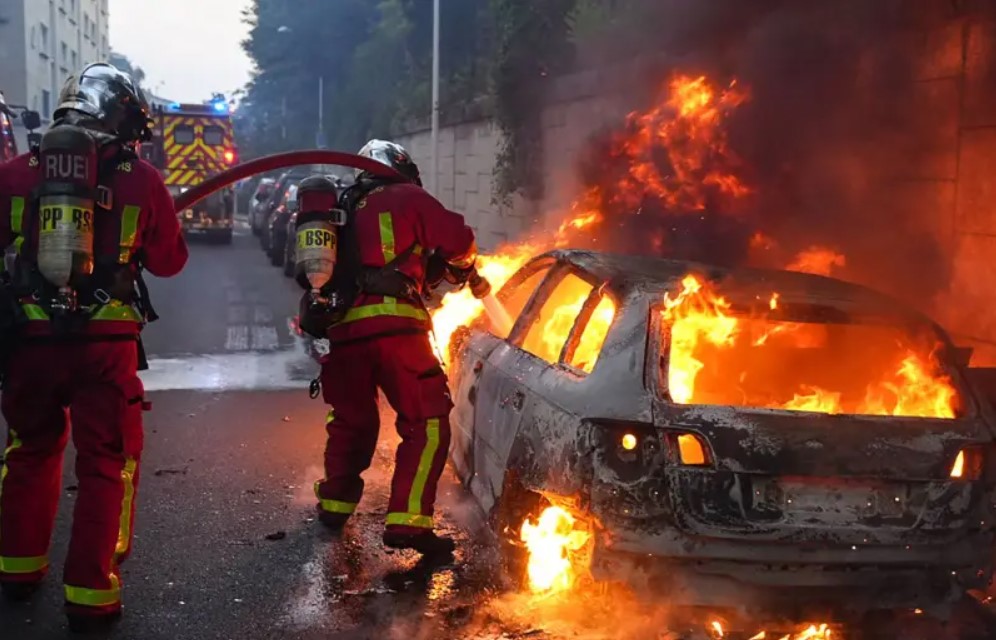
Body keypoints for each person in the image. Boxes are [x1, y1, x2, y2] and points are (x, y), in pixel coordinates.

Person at [0, 63, 188, 632]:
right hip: (105, 345)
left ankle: (17, 567)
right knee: (106, 462)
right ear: (121, 117)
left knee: (31, 448)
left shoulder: (14, 173)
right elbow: (169, 261)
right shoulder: (141, 178)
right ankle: (90, 590)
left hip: (28, 341)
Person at [310, 139, 478, 556]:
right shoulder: (409, 197)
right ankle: (409, 523)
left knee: (352, 421)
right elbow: (459, 240)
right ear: (402, 168)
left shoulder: (342, 208)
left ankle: (334, 503)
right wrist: (462, 267)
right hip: (396, 329)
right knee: (429, 421)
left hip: (344, 333)